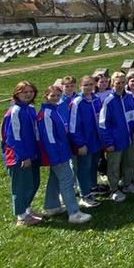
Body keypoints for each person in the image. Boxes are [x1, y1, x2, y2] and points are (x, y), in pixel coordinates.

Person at [36, 86, 91, 223]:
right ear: (46, 96)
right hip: (57, 155)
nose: (55, 98)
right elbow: (49, 139)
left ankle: (52, 206)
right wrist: (55, 158)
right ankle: (74, 213)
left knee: (54, 179)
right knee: (67, 180)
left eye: (58, 96)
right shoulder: (46, 115)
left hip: (62, 152)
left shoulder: (55, 110)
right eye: (52, 95)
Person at [1, 81, 42, 226]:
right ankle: (22, 217)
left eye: (31, 92)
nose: (28, 94)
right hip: (19, 157)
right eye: (24, 92)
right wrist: (23, 156)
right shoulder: (15, 112)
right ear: (17, 93)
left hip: (32, 154)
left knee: (33, 183)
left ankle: (27, 210)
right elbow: (12, 138)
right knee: (21, 186)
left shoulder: (30, 109)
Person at [98, 71, 134, 202]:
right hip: (115, 140)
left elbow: (133, 115)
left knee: (130, 162)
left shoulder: (128, 98)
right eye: (117, 83)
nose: (120, 85)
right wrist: (108, 142)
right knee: (114, 166)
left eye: (123, 82)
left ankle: (127, 184)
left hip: (129, 138)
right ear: (112, 84)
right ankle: (114, 189)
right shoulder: (108, 101)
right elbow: (103, 124)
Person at [69, 75, 103, 208]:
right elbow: (73, 126)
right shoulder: (77, 102)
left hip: (96, 140)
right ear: (80, 87)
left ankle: (93, 186)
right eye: (85, 85)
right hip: (84, 142)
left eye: (90, 85)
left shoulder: (96, 99)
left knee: (94, 164)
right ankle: (84, 195)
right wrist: (80, 144)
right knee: (84, 168)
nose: (88, 87)